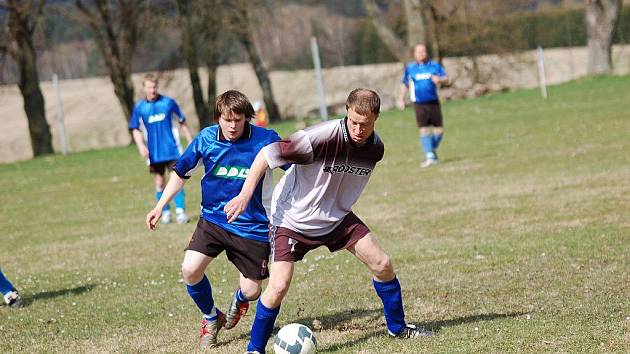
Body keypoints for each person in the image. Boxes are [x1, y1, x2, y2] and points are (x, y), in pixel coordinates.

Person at [225, 88, 435, 354]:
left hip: (336, 218)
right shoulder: (317, 138)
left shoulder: (376, 149)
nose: (359, 129)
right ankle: (254, 349)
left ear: (377, 118)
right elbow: (266, 156)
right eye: (354, 122)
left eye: (366, 124)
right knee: (277, 286)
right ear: (346, 111)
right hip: (291, 219)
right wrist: (245, 194)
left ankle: (398, 327)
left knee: (382, 264)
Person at [145, 90, 282, 348]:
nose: (232, 126)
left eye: (238, 120)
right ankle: (211, 318)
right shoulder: (206, 139)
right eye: (226, 119)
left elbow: (296, 164)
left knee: (253, 291)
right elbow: (181, 172)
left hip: (252, 225)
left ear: (247, 118)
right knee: (190, 269)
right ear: (218, 117)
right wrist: (160, 205)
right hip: (213, 221)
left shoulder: (266, 140)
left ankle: (240, 300)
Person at [130, 74, 193, 224]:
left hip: (172, 150)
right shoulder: (140, 108)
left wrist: (190, 139)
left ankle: (180, 212)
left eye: (154, 87)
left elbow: (182, 121)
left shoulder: (168, 103)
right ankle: (164, 213)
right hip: (154, 153)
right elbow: (135, 129)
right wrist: (140, 146)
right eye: (149, 87)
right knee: (159, 182)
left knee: (176, 179)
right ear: (144, 88)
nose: (152, 90)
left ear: (157, 87)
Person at [397, 44, 448, 168]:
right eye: (418, 52)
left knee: (439, 131)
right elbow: (405, 84)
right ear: (414, 54)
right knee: (424, 129)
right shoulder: (410, 68)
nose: (421, 54)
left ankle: (429, 151)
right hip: (419, 103)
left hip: (433, 101)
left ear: (427, 53)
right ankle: (430, 156)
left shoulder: (434, 65)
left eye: (423, 51)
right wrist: (401, 99)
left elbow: (445, 77)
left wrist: (439, 80)